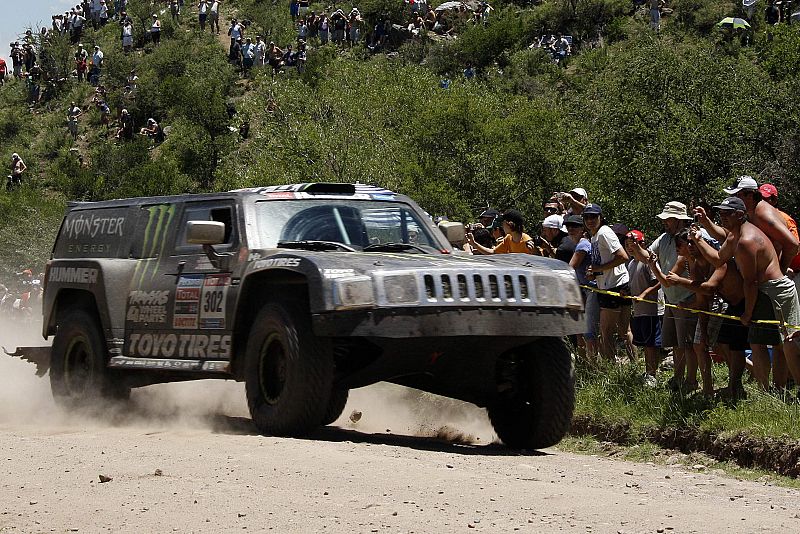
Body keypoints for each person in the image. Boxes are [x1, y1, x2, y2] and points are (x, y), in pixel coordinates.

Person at [692, 196, 800, 390]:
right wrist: (698, 240)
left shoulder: (746, 240)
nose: (722, 217)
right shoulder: (735, 235)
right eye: (721, 213)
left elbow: (751, 282)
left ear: (740, 215)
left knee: (786, 342)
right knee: (759, 342)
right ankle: (767, 391)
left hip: (775, 291)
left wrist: (747, 313)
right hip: (764, 290)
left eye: (727, 213)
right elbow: (718, 259)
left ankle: (781, 388)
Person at [630, 201, 696, 390]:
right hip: (671, 299)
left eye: (668, 219)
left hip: (686, 299)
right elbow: (648, 255)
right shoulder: (664, 238)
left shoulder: (686, 241)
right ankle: (678, 378)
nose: (665, 222)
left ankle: (690, 382)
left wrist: (652, 265)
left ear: (678, 219)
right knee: (676, 343)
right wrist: (637, 248)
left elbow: (667, 278)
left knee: (688, 345)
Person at [583, 203, 632, 361]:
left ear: (601, 218)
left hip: (614, 285)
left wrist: (599, 268)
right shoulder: (595, 235)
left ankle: (610, 368)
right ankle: (635, 364)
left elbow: (623, 256)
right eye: (587, 217)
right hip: (615, 283)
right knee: (625, 331)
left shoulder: (604, 232)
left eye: (593, 216)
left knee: (606, 332)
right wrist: (596, 272)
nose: (590, 220)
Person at [625, 230, 661, 385]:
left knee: (651, 343)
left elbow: (658, 281)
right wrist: (625, 291)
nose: (630, 247)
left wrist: (644, 294)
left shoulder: (648, 260)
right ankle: (648, 372)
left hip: (652, 309)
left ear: (642, 243)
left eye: (633, 244)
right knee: (645, 343)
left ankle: (652, 374)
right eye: (627, 245)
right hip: (639, 310)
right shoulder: (632, 263)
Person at [566, 214, 598, 360]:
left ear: (582, 229)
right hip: (584, 290)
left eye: (575, 226)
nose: (570, 229)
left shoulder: (583, 244)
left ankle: (592, 365)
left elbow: (570, 267)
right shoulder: (581, 243)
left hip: (591, 290)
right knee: (581, 328)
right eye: (568, 226)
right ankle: (585, 362)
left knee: (588, 329)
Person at [466, 209, 534, 254]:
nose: (502, 225)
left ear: (510, 224)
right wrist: (474, 243)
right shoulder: (508, 238)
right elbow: (493, 252)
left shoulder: (526, 240)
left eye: (503, 222)